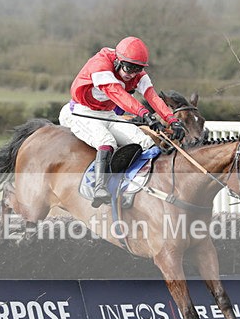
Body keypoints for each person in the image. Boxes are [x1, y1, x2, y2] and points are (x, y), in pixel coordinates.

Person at [59, 36, 185, 208]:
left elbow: (152, 97)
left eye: (137, 69)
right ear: (118, 61)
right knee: (107, 141)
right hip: (81, 112)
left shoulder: (136, 73)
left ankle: (129, 188)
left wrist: (172, 120)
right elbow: (118, 94)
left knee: (146, 143)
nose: (132, 74)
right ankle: (99, 188)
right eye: (129, 68)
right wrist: (145, 114)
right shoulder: (100, 65)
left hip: (107, 114)